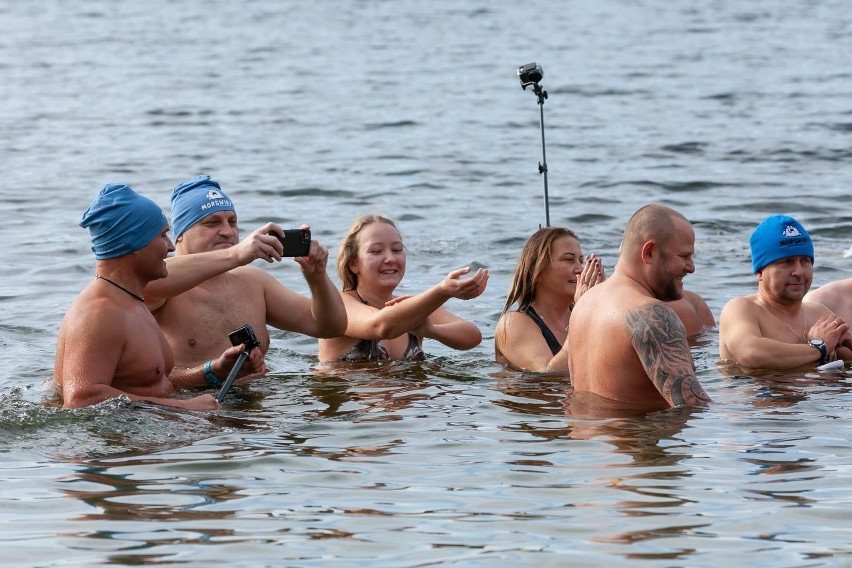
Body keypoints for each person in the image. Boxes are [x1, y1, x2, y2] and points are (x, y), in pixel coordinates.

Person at [54, 184, 265, 410]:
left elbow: (149, 383)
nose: (170, 247)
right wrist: (183, 409)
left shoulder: (130, 300)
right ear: (133, 243)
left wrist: (212, 372)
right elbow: (81, 399)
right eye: (162, 235)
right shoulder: (99, 312)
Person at [144, 175, 347, 377]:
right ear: (180, 234)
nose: (227, 231)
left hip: (256, 401)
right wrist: (237, 254)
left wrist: (317, 278)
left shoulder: (254, 282)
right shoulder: (159, 281)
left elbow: (330, 327)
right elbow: (148, 283)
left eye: (232, 222)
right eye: (212, 223)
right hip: (187, 405)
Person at [568, 204, 711, 408]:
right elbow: (692, 407)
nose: (691, 267)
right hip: (636, 437)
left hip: (585, 437)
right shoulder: (650, 314)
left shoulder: (584, 304)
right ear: (649, 252)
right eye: (684, 256)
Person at [318, 214, 489, 362]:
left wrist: (432, 330)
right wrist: (443, 291)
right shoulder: (338, 305)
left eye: (397, 250)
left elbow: (472, 336)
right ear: (353, 264)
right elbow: (381, 326)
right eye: (376, 251)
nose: (390, 258)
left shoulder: (410, 307)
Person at [719, 214, 851, 369]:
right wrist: (819, 347)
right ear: (760, 272)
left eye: (805, 261)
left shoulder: (818, 314)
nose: (799, 272)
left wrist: (848, 341)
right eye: (786, 262)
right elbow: (751, 353)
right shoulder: (742, 309)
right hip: (762, 391)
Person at [494, 227, 605, 373]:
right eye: (568, 260)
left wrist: (605, 304)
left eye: (581, 261)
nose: (580, 269)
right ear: (537, 270)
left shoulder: (582, 314)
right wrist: (584, 312)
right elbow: (550, 374)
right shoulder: (513, 324)